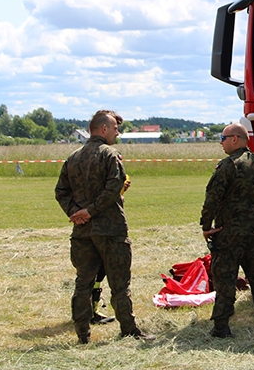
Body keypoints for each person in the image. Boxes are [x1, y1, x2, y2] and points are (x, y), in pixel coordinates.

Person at [55, 110, 154, 344]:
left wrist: (75, 213)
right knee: (120, 283)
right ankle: (128, 329)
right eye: (114, 128)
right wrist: (89, 211)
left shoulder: (73, 158)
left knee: (83, 283)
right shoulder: (110, 155)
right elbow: (112, 189)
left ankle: (82, 334)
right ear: (103, 129)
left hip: (82, 231)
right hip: (110, 229)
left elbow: (61, 191)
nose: (117, 132)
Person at [201, 123, 254, 337]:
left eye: (223, 137)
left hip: (229, 233)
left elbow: (212, 198)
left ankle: (221, 326)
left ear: (234, 139)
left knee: (225, 278)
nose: (221, 142)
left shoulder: (228, 166)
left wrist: (206, 226)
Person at [91, 173, 131, 325]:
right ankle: (90, 312)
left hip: (93, 228)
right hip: (103, 229)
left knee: (96, 274)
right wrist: (117, 191)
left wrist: (120, 192)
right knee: (97, 272)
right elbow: (103, 201)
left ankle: (90, 310)